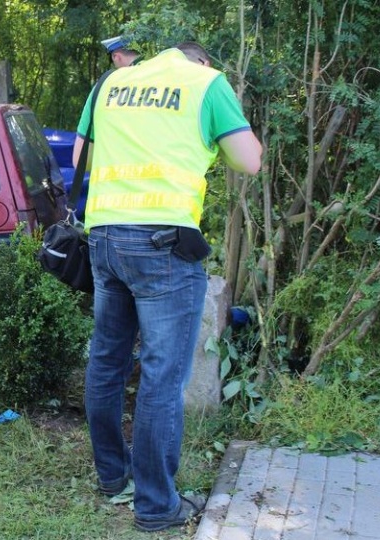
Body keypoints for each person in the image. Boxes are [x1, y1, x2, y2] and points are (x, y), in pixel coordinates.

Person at [73, 41, 262, 532]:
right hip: (163, 246)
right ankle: (157, 505)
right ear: (203, 60)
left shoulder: (110, 83)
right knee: (162, 374)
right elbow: (249, 160)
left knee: (107, 359)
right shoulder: (206, 84)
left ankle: (114, 477)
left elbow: (79, 154)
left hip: (105, 236)